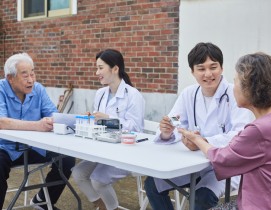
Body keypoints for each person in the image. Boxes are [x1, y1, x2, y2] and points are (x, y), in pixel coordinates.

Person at [144, 42, 252, 210]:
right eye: (201, 69)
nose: (208, 74)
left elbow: (240, 135)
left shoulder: (235, 93)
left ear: (222, 68)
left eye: (213, 67)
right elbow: (174, 123)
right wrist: (167, 131)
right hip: (191, 165)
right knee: (153, 184)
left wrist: (202, 141)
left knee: (201, 199)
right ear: (192, 71)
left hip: (222, 168)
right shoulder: (189, 93)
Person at [179, 52, 271, 210]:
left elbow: (222, 159)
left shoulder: (259, 130)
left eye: (236, 82)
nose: (232, 88)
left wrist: (197, 140)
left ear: (251, 87)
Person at [0, 53, 76, 210]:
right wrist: (37, 125)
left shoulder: (38, 90)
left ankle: (42, 201)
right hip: (5, 148)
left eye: (32, 73)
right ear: (10, 78)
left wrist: (53, 120)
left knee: (67, 159)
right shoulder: (0, 89)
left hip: (34, 147)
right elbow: (2, 122)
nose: (31, 79)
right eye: (25, 75)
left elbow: (53, 114)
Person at [71, 49, 145, 210]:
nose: (97, 72)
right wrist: (91, 118)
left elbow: (137, 129)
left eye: (100, 68)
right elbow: (99, 124)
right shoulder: (100, 93)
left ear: (115, 69)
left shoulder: (133, 95)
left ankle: (111, 207)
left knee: (98, 180)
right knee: (78, 173)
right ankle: (103, 205)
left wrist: (109, 119)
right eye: (96, 68)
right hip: (103, 149)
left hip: (126, 152)